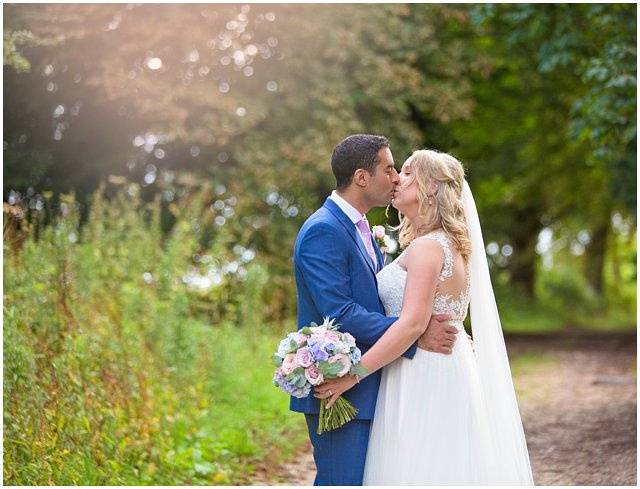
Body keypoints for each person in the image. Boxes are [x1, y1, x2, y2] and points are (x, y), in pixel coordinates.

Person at [316, 149, 534, 485]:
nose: (395, 179)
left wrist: (352, 376)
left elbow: (413, 324)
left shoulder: (427, 248)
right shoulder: (446, 245)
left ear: (431, 187)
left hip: (423, 372)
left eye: (405, 172)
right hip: (445, 365)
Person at [291, 136, 459, 486]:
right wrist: (415, 329)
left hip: (377, 385)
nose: (396, 177)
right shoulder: (324, 230)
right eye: (389, 169)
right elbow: (341, 312)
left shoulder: (363, 229)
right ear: (361, 178)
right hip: (342, 390)